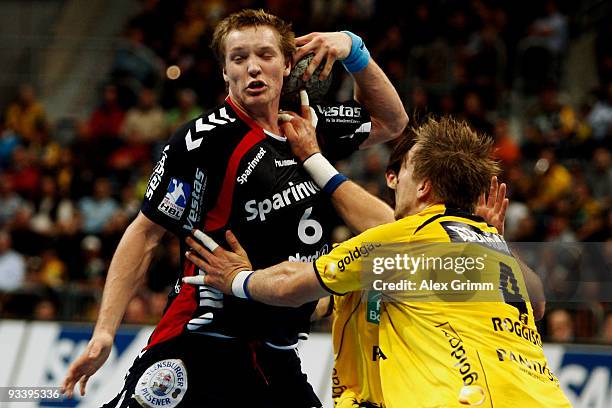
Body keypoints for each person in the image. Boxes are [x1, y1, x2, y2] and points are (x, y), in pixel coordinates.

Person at [61, 8, 407, 408]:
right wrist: (105, 332)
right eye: (239, 59)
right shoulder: (203, 141)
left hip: (276, 355)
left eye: (265, 55)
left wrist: (353, 49)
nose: (253, 69)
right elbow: (145, 232)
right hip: (204, 340)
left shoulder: (309, 125)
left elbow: (391, 121)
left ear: (288, 64)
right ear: (225, 72)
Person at [185, 116, 569, 407]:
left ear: (423, 186)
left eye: (403, 173)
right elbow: (536, 304)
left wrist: (238, 278)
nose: (394, 183)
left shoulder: (405, 240)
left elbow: (291, 283)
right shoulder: (487, 248)